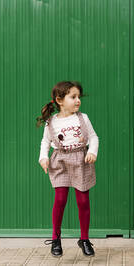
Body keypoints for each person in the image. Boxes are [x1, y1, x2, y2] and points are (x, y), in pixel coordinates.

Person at [37, 81, 99, 257]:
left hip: (81, 160)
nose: (78, 100)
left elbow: (93, 137)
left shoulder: (83, 118)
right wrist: (43, 157)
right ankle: (56, 239)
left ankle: (84, 239)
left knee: (83, 201)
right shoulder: (51, 122)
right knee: (60, 199)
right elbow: (45, 142)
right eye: (73, 97)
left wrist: (92, 152)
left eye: (79, 96)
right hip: (60, 161)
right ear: (59, 100)